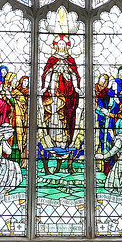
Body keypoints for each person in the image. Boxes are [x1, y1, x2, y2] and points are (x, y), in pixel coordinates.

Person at [39, 34, 81, 173]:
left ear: (66, 46)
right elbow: (47, 75)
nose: (61, 46)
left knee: (65, 118)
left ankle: (63, 141)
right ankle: (53, 140)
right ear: (56, 46)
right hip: (54, 90)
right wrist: (44, 87)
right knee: (54, 115)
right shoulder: (52, 59)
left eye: (63, 44)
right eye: (59, 44)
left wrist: (76, 87)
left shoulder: (70, 60)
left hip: (66, 92)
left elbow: (75, 76)